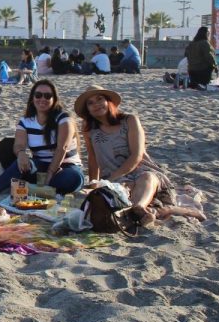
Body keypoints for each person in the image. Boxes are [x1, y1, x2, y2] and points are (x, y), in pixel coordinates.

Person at [75, 85, 205, 225]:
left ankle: (139, 208)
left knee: (147, 177)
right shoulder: (89, 129)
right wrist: (94, 183)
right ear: (87, 109)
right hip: (113, 177)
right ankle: (150, 213)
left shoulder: (129, 120)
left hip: (140, 170)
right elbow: (93, 158)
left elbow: (136, 156)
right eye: (90, 103)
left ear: (108, 101)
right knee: (116, 195)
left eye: (100, 99)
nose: (96, 105)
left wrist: (115, 178)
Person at [0, 79, 84, 196]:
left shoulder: (64, 119)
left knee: (74, 178)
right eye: (38, 95)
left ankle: (37, 188)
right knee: (19, 164)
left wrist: (50, 175)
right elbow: (19, 145)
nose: (42, 99)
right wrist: (21, 154)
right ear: (32, 98)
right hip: (40, 166)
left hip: (65, 166)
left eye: (47, 96)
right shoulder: (26, 121)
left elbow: (61, 149)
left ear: (54, 99)